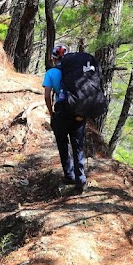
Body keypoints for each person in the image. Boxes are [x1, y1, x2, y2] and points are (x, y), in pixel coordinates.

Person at [43, 44, 87, 191]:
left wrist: (51, 113)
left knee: (63, 144)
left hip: (61, 110)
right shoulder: (75, 70)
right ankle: (80, 179)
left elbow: (47, 96)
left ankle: (69, 176)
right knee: (77, 145)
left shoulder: (51, 73)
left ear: (53, 58)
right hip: (77, 111)